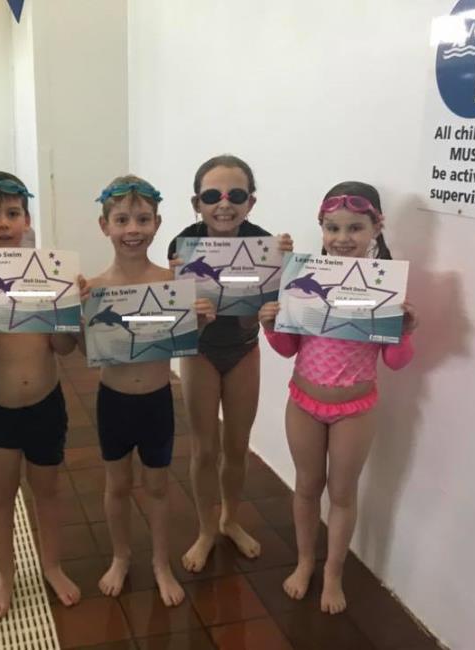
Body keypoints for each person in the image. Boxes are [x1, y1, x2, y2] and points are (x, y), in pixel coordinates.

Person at [258, 181, 419, 614]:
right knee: (307, 486)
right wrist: (271, 325)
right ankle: (305, 561)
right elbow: (289, 349)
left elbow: (396, 362)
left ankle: (333, 572)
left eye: (354, 228)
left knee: (342, 493)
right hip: (303, 402)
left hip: (354, 410)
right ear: (322, 229)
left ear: (376, 228)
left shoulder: (385, 287)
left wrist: (404, 332)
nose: (342, 238)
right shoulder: (304, 280)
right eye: (333, 228)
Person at [0, 171, 82, 618]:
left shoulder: (47, 275)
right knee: (0, 495)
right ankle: (5, 576)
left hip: (46, 405)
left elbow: (63, 348)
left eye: (12, 213)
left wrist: (65, 311)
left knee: (48, 491)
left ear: (27, 220)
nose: (3, 223)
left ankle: (52, 565)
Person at [80, 175, 214, 606]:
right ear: (104, 225)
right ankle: (121, 556)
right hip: (113, 401)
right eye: (122, 220)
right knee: (117, 485)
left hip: (157, 400)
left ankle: (160, 562)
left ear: (157, 223)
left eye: (142, 219)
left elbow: (185, 339)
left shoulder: (172, 282)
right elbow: (85, 350)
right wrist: (77, 317)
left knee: (157, 487)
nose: (132, 229)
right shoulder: (94, 289)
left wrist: (201, 320)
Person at [167, 154, 293, 571]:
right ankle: (206, 529)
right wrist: (180, 291)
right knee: (204, 448)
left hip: (243, 348)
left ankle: (230, 519)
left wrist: (285, 269)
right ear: (196, 203)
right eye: (212, 196)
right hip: (200, 351)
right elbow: (179, 318)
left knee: (237, 446)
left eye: (235, 195)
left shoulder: (265, 245)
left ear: (250, 202)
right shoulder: (182, 245)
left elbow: (252, 317)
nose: (224, 204)